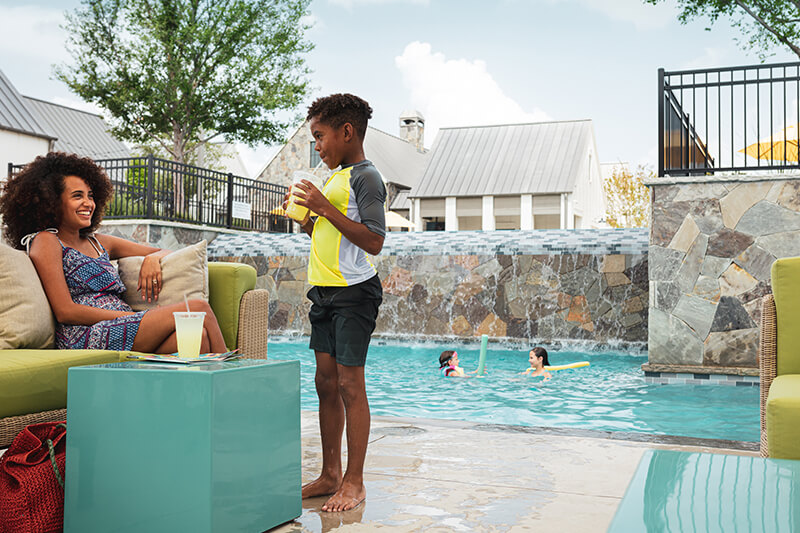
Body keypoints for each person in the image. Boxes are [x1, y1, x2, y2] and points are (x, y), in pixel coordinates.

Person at [0, 152, 227, 355]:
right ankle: (235, 375)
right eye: (77, 196)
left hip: (124, 326)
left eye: (90, 195)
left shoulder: (99, 242)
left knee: (197, 338)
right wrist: (134, 317)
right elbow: (65, 311)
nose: (88, 203)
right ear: (51, 202)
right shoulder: (47, 241)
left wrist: (152, 258)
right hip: (84, 334)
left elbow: (165, 251)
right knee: (198, 308)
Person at [284, 94, 386, 512]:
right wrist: (310, 220)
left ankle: (354, 482)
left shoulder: (367, 177)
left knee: (348, 384)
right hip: (324, 292)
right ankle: (330, 474)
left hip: (354, 293)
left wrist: (324, 208)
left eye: (320, 136)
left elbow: (374, 240)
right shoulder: (334, 178)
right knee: (325, 382)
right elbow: (331, 235)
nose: (317, 146)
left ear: (347, 132)